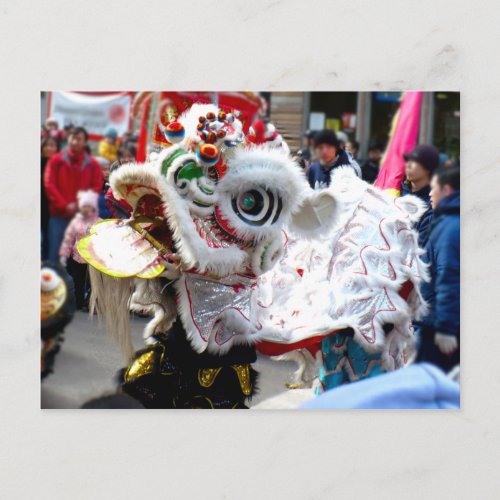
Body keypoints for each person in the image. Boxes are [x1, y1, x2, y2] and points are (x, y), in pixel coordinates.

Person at [417, 166, 460, 372]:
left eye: (433, 187)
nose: (430, 193)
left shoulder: (451, 227)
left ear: (447, 190)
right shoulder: (447, 220)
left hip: (440, 327)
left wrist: (445, 328)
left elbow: (448, 278)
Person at [44, 126, 103, 263]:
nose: (75, 142)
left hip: (82, 216)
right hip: (59, 215)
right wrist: (65, 205)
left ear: (84, 142)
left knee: (80, 258)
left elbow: (96, 186)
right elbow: (49, 184)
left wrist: (81, 205)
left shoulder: (92, 164)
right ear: (67, 138)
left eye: (79, 139)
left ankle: (74, 284)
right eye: (73, 138)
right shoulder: (56, 161)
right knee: (56, 255)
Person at [59, 190, 101, 310]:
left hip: (93, 258)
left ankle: (91, 303)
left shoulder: (99, 222)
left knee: (94, 283)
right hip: (77, 256)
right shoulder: (76, 222)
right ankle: (79, 302)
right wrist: (65, 253)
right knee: (79, 281)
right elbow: (69, 238)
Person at [401, 144, 440, 248]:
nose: (408, 165)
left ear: (428, 168)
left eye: (414, 161)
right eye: (407, 160)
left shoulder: (433, 202)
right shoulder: (396, 191)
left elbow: (419, 247)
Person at [41, 136, 59, 259]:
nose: (49, 148)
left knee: (49, 240)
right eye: (46, 145)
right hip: (38, 207)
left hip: (53, 210)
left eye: (52, 145)